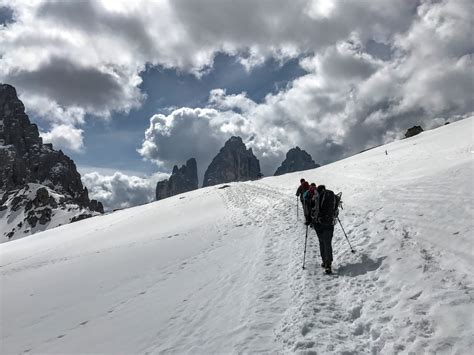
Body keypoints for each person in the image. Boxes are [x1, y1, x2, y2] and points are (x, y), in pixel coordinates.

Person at [311, 185, 335, 274]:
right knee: (327, 243)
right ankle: (328, 264)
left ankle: (324, 261)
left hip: (318, 224)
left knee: (322, 242)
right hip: (329, 224)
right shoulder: (331, 196)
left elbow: (313, 210)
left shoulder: (317, 197)